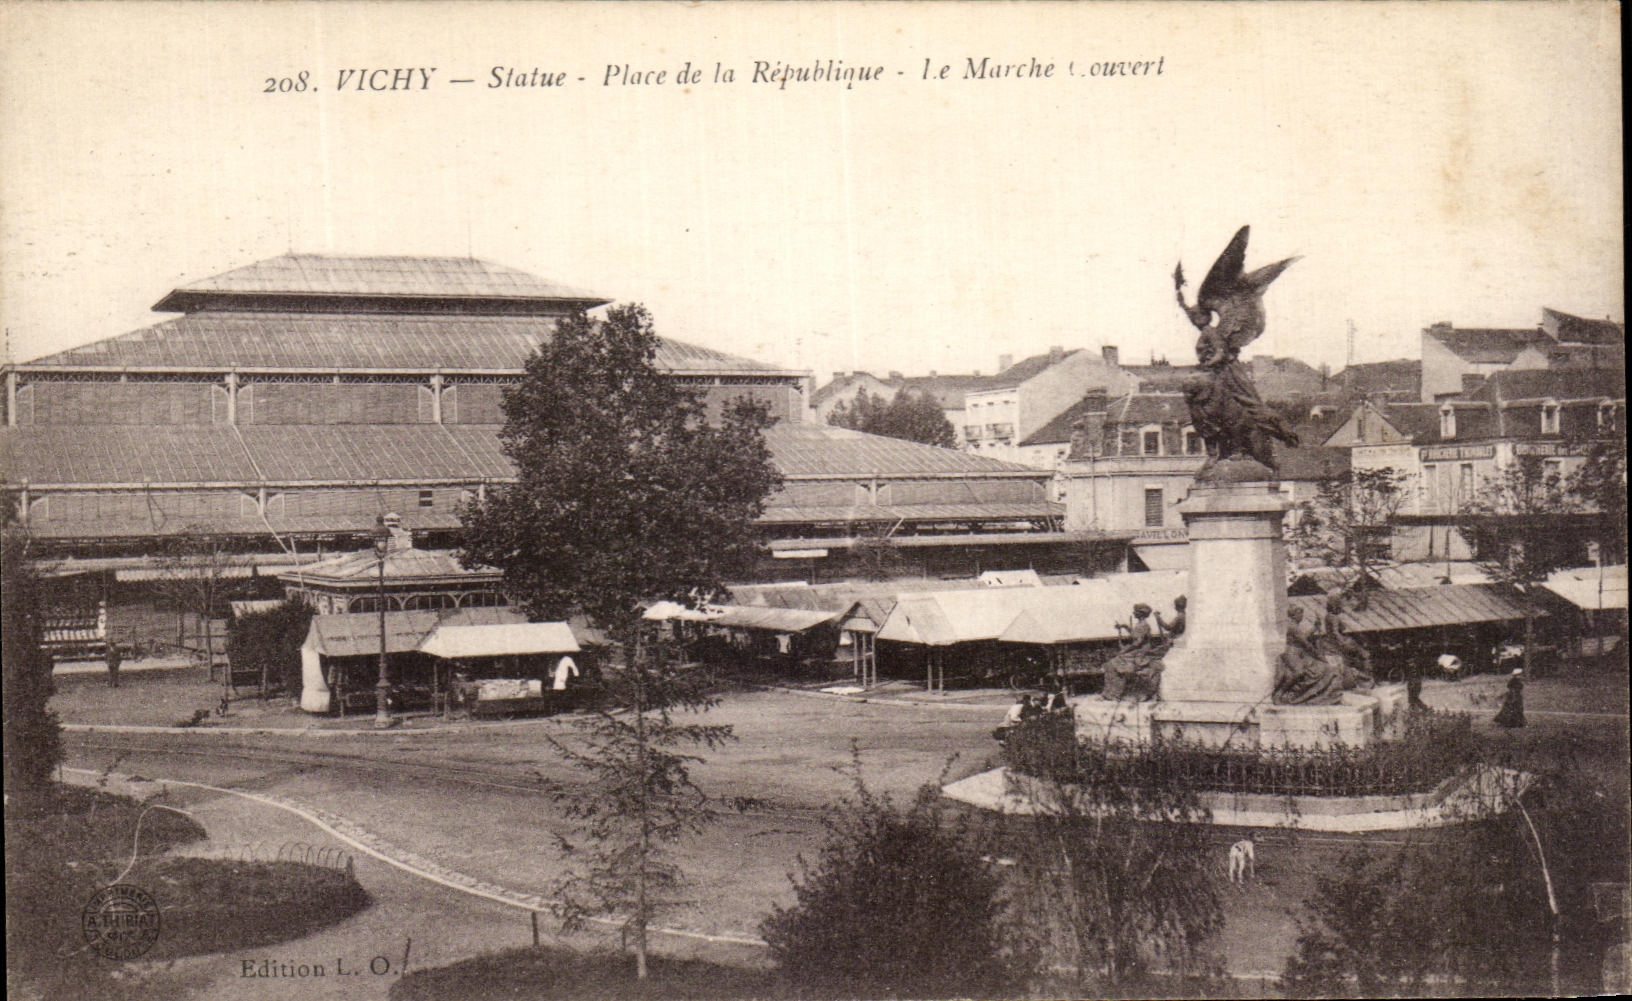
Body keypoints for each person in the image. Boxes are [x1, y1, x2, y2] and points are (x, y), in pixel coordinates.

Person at [1273, 606, 1346, 706]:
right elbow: (1305, 643)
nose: (1302, 617)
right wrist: (1319, 655)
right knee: (1298, 672)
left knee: (1319, 668)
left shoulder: (1295, 626)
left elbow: (1303, 637)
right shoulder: (1292, 627)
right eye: (1300, 614)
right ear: (1294, 615)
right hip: (1291, 653)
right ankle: (1280, 693)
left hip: (1300, 654)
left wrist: (1314, 628)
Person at [1101, 603, 1164, 702]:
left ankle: (1113, 694)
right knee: (1113, 663)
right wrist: (1124, 626)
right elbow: (1135, 634)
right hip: (1137, 651)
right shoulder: (1140, 625)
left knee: (1112, 664)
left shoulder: (1143, 625)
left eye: (1135, 611)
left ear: (1141, 614)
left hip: (1141, 653)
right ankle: (1112, 693)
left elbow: (1137, 643)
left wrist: (1123, 650)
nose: (1133, 613)